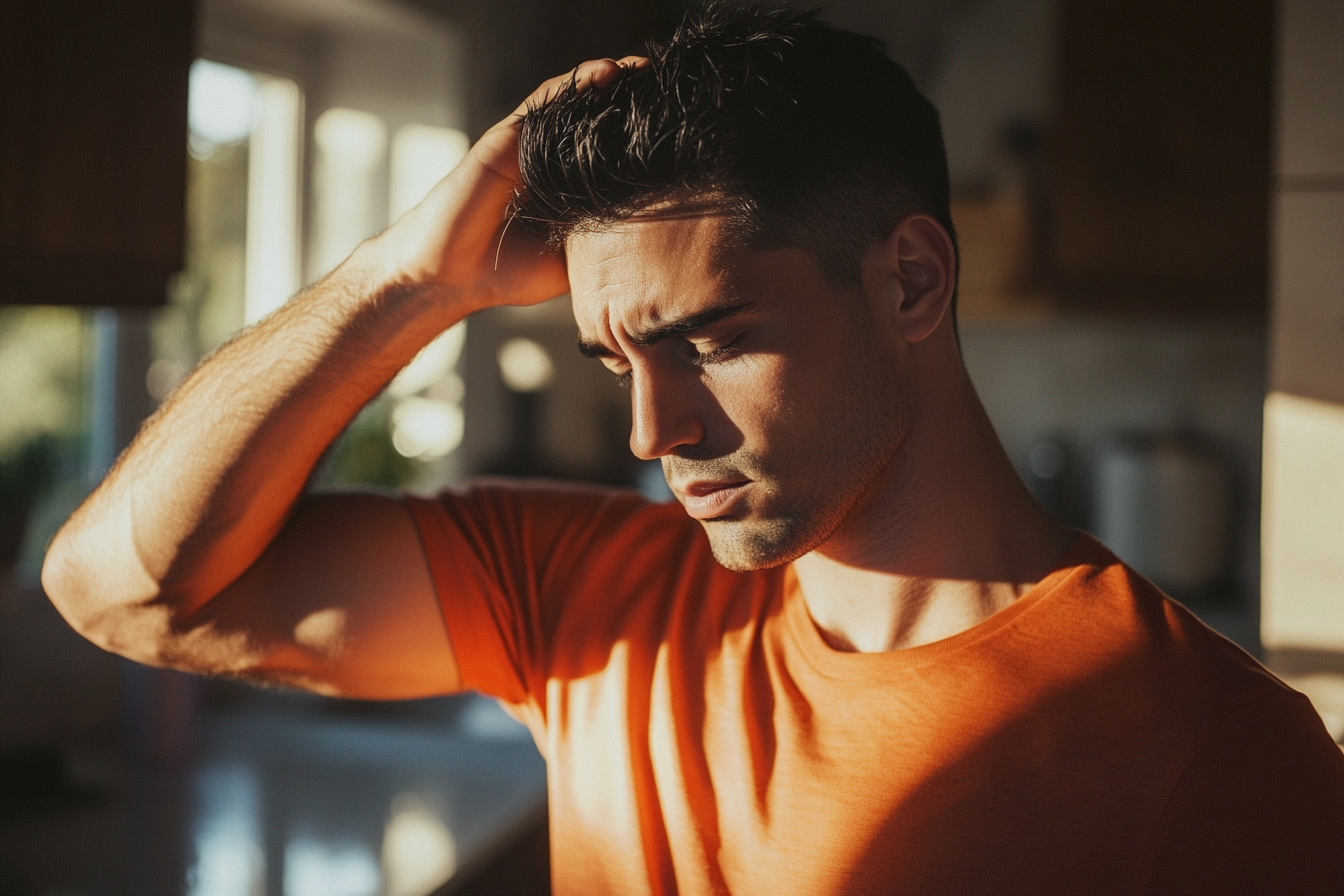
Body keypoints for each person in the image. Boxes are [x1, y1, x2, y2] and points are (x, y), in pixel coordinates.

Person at [42, 5, 1344, 894]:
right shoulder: (580, 597)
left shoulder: (1219, 758)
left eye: (710, 341)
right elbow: (118, 591)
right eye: (619, 359)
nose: (651, 430)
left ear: (909, 283)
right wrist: (405, 280)